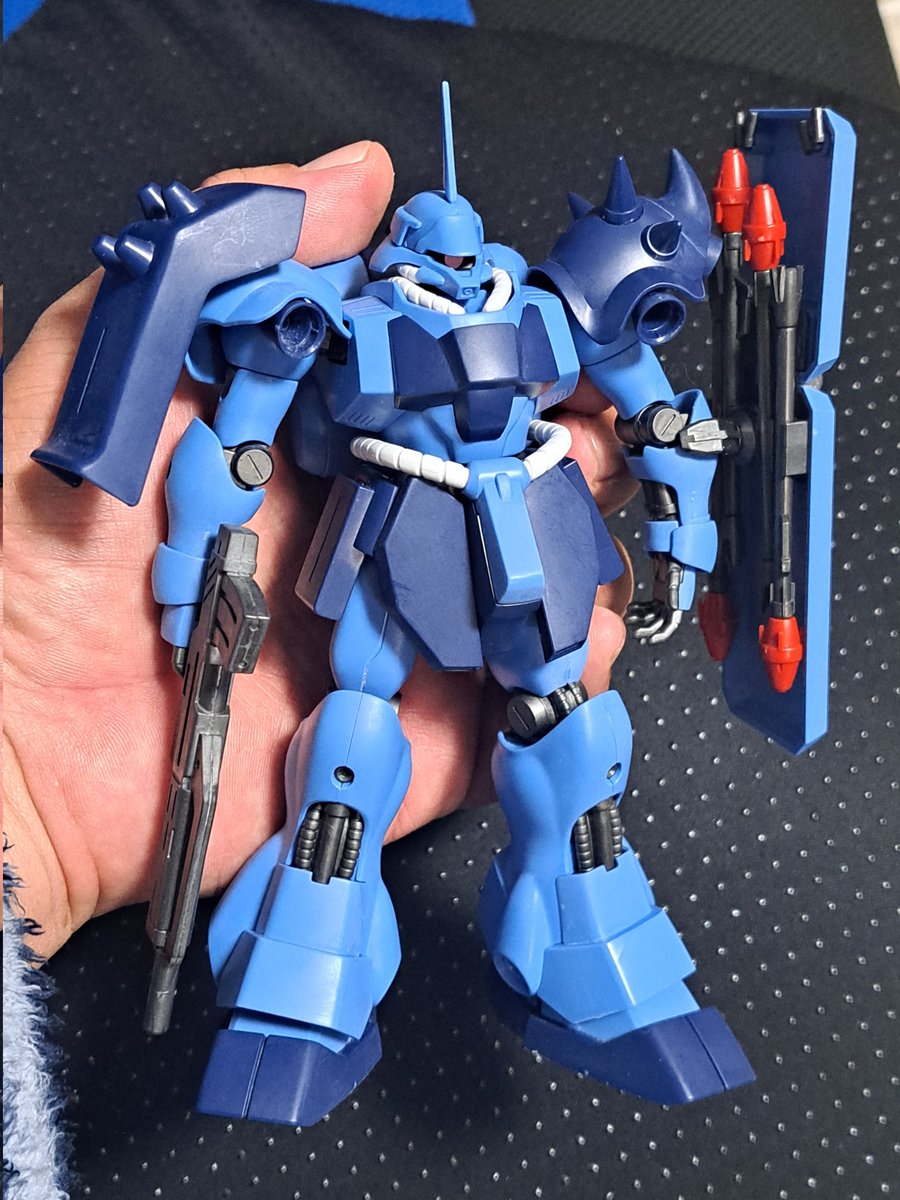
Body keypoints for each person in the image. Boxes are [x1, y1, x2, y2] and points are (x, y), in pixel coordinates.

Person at [2, 138, 633, 964]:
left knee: (568, 714)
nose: (455, 271)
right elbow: (240, 442)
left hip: (537, 509)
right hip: (404, 522)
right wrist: (190, 570)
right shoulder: (343, 309)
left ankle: (596, 921)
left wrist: (676, 477)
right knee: (360, 713)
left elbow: (639, 388)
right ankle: (311, 937)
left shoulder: (535, 307)